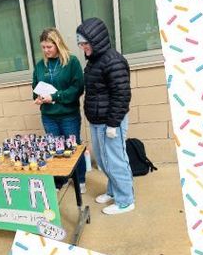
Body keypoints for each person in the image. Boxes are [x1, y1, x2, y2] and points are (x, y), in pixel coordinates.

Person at [76, 18, 134, 216]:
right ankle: (113, 190)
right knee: (103, 160)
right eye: (81, 44)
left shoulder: (113, 61)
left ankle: (126, 200)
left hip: (111, 123)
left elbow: (122, 94)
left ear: (96, 40)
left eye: (85, 43)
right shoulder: (94, 62)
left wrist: (113, 124)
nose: (83, 48)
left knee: (116, 161)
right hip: (97, 122)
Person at [32, 28, 86, 191]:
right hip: (49, 116)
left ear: (58, 44)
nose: (46, 51)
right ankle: (60, 180)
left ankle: (80, 179)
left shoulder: (72, 62)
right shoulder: (41, 65)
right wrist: (39, 97)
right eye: (43, 47)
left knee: (74, 148)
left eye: (49, 47)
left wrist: (55, 97)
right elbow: (35, 85)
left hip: (69, 115)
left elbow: (78, 88)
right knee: (55, 149)